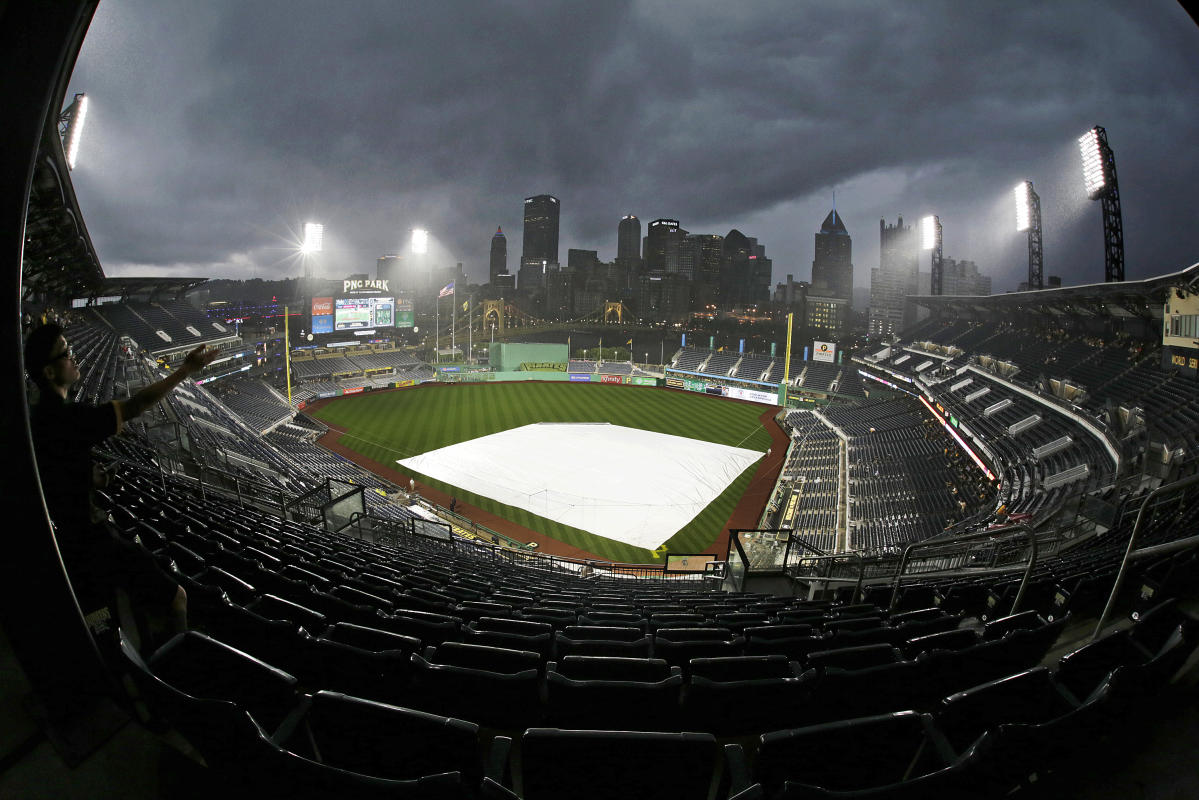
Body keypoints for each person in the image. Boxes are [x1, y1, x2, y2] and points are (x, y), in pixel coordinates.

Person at [24, 323, 217, 643]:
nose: (74, 358)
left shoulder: (40, 418)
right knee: (177, 597)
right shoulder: (67, 418)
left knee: (113, 619)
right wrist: (186, 369)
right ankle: (178, 668)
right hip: (90, 539)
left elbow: (56, 471)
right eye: (66, 353)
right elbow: (137, 405)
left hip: (71, 543)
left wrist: (90, 476)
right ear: (48, 372)